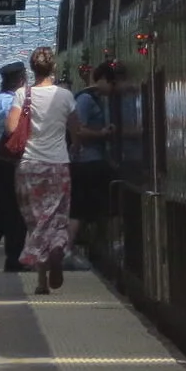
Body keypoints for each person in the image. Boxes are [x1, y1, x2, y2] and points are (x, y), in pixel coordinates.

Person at [8, 46, 77, 295]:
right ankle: (58, 248)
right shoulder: (66, 96)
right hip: (58, 165)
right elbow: (76, 131)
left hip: (29, 165)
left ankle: (40, 282)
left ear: (31, 68)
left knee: (36, 222)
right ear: (54, 68)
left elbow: (11, 127)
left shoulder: (21, 94)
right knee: (57, 218)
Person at [0, 62, 28, 274]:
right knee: (15, 212)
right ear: (21, 80)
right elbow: (14, 133)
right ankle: (14, 259)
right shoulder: (13, 104)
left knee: (4, 208)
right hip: (7, 163)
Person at [71, 62, 117, 258]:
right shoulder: (86, 100)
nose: (114, 89)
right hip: (87, 163)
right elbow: (78, 129)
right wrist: (102, 134)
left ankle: (98, 247)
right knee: (82, 209)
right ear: (104, 80)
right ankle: (70, 247)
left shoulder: (94, 99)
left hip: (89, 162)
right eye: (112, 83)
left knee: (92, 208)